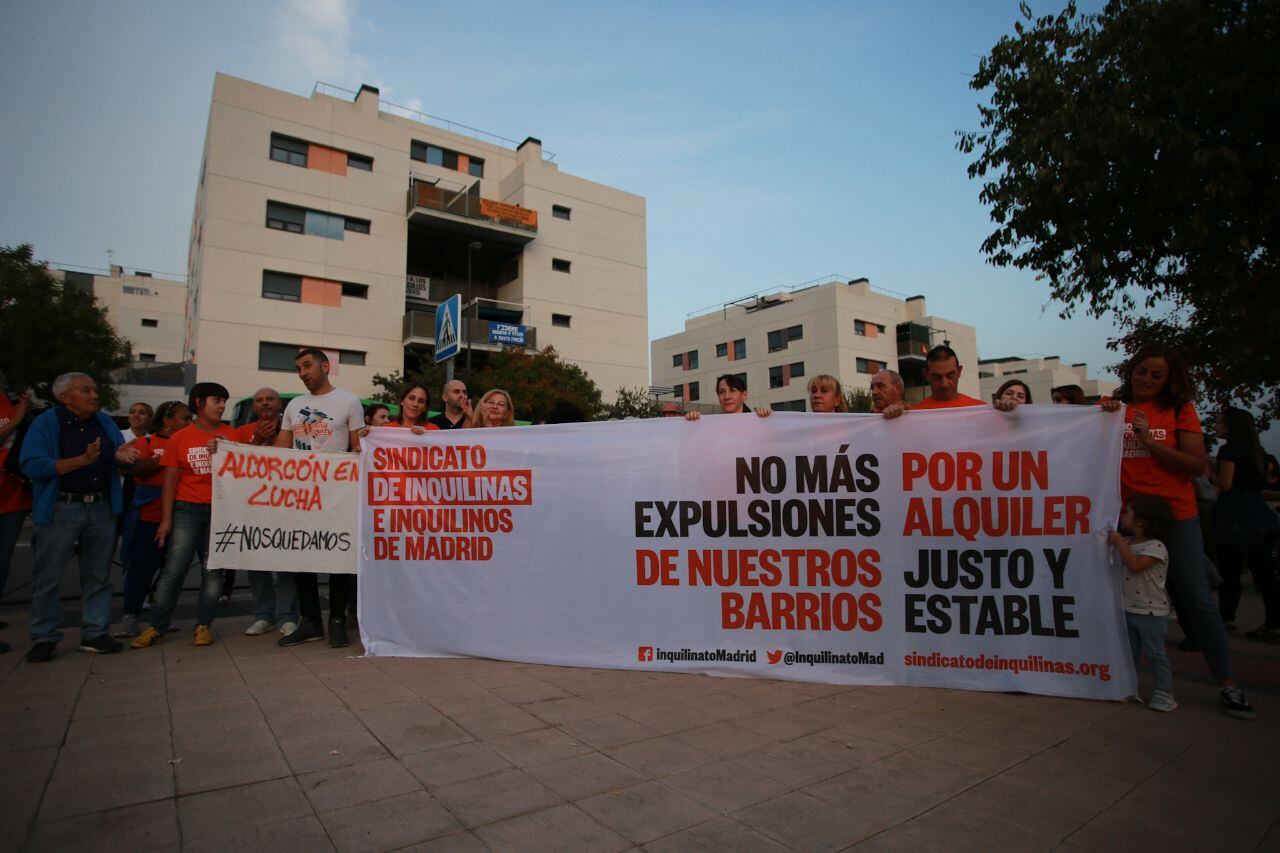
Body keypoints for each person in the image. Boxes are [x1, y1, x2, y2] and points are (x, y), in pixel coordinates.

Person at [1100, 344, 1254, 718]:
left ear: (1170, 379)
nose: (1147, 379)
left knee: (1196, 599)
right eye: (1142, 371)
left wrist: (1150, 441)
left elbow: (1196, 464)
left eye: (1157, 374)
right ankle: (1120, 678)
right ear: (1131, 372)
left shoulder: (1180, 410)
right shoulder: (1114, 409)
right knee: (1116, 601)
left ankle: (1227, 684)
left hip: (1177, 518)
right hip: (1130, 523)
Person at [19, 372, 139, 662]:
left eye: (94, 390)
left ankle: (95, 633)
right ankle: (44, 636)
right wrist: (80, 461)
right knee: (48, 576)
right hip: (62, 507)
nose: (94, 395)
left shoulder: (105, 422)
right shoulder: (46, 423)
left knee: (98, 575)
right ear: (65, 396)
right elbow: (32, 465)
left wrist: (122, 456)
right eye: (86, 390)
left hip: (100, 507)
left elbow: (114, 455)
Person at [130, 383, 237, 649]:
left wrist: (228, 452)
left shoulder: (232, 436)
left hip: (220, 512)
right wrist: (166, 519)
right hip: (186, 510)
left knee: (212, 572)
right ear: (199, 403)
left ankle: (204, 625)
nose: (222, 405)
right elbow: (169, 481)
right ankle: (157, 626)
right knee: (173, 570)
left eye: (224, 401)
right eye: (216, 400)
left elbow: (245, 473)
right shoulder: (180, 437)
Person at [275, 348, 365, 648]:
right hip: (300, 494)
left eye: (308, 366)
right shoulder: (293, 405)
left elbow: (357, 448)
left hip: (337, 493)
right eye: (298, 368)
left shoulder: (349, 401)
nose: (303, 373)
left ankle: (337, 618)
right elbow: (281, 449)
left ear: (326, 366)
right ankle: (310, 620)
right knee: (302, 556)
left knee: (339, 557)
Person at [114, 401, 191, 638]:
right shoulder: (146, 443)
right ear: (168, 421)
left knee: (172, 571)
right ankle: (130, 616)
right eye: (184, 419)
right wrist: (167, 457)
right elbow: (134, 469)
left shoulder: (189, 445)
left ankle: (161, 616)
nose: (189, 423)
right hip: (150, 516)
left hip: (180, 517)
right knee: (142, 568)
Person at [234, 387, 299, 637]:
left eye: (270, 399)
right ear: (254, 407)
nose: (265, 404)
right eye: (259, 400)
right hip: (255, 507)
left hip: (288, 503)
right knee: (257, 563)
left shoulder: (292, 429)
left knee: (287, 562)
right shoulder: (241, 433)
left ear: (279, 405)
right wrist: (257, 442)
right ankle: (263, 615)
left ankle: (287, 616)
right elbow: (238, 465)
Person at [1212, 407, 1280, 640]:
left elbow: (1225, 483)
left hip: (1235, 515)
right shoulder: (1256, 450)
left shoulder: (1229, 450)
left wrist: (1208, 470)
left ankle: (1227, 619)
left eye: (1220, 422)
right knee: (1264, 573)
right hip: (1258, 514)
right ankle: (1273, 622)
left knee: (1230, 571)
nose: (1215, 425)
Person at [1108, 494, 1178, 712]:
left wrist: (1119, 543)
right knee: (1130, 654)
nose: (1123, 516)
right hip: (1127, 608)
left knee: (1156, 654)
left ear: (1141, 521)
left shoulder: (1156, 547)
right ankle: (1129, 687)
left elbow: (1135, 566)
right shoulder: (1128, 542)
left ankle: (1164, 694)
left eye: (1127, 512)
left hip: (1150, 612)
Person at [0, 369, 34, 654]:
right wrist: (17, 419)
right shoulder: (15, 412)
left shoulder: (12, 403)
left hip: (13, 498)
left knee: (2, 564)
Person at [910, 345, 987, 410]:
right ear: (926, 375)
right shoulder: (913, 414)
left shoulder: (980, 410)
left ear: (959, 371)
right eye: (937, 377)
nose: (944, 384)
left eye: (950, 376)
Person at [685, 374, 772, 420]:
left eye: (732, 390)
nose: (726, 397)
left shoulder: (758, 422)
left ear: (744, 395)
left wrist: (768, 419)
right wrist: (692, 424)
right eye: (722, 392)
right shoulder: (711, 426)